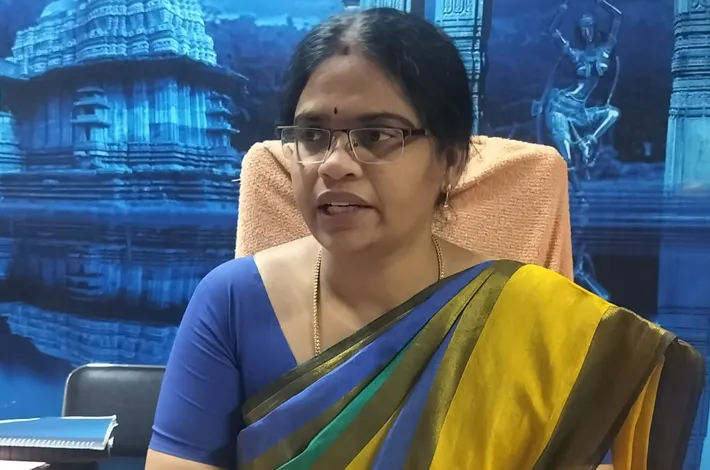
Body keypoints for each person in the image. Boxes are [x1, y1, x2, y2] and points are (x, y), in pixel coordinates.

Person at [145, 8, 703, 470]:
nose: (334, 164)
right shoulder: (232, 301)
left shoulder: (530, 323)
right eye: (312, 135)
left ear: (450, 161)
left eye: (376, 135)